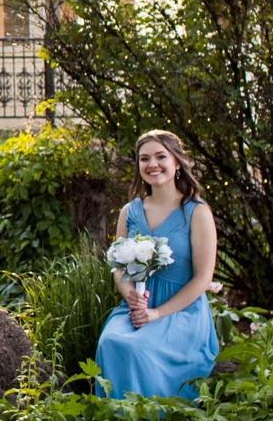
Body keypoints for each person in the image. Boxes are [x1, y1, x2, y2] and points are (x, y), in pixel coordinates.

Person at [94, 130, 221, 404]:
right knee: (111, 342)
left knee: (138, 349)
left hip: (181, 312)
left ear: (177, 162)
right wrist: (129, 294)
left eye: (161, 156)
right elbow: (118, 265)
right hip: (137, 308)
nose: (152, 164)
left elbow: (202, 278)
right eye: (144, 159)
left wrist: (158, 313)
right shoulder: (130, 212)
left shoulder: (197, 213)